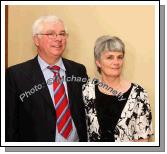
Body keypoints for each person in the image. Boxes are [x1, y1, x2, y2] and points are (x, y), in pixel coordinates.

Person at [5, 15, 88, 142]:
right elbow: (9, 125)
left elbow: (87, 113)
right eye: (51, 34)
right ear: (36, 40)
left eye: (62, 34)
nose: (58, 39)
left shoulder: (78, 70)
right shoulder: (15, 75)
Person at [82, 35, 153, 142]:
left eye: (119, 57)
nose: (116, 62)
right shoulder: (87, 90)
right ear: (98, 62)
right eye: (110, 57)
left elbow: (142, 139)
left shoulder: (139, 94)